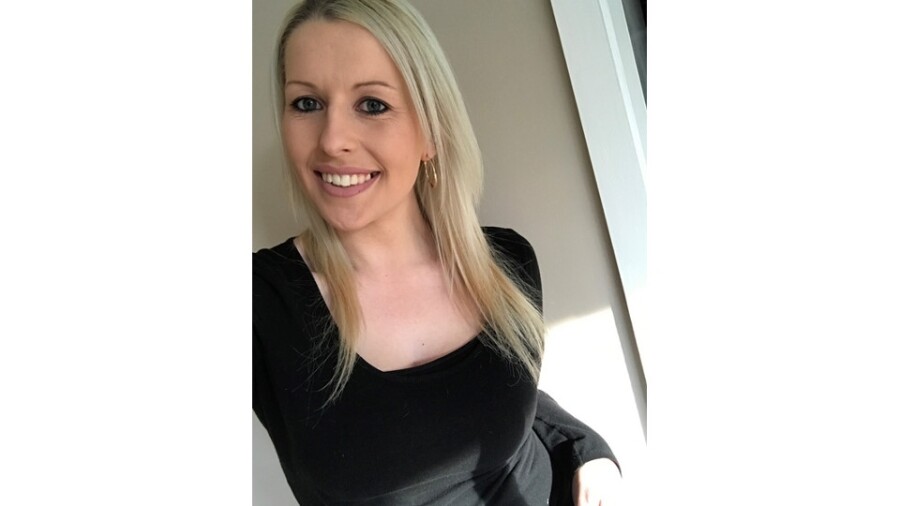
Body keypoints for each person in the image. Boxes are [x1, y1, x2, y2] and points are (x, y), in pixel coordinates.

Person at [253, 0, 622, 504]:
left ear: (430, 131)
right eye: (306, 103)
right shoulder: (259, 304)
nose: (333, 140)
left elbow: (503, 401)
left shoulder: (504, 264)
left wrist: (586, 450)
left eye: (372, 104)